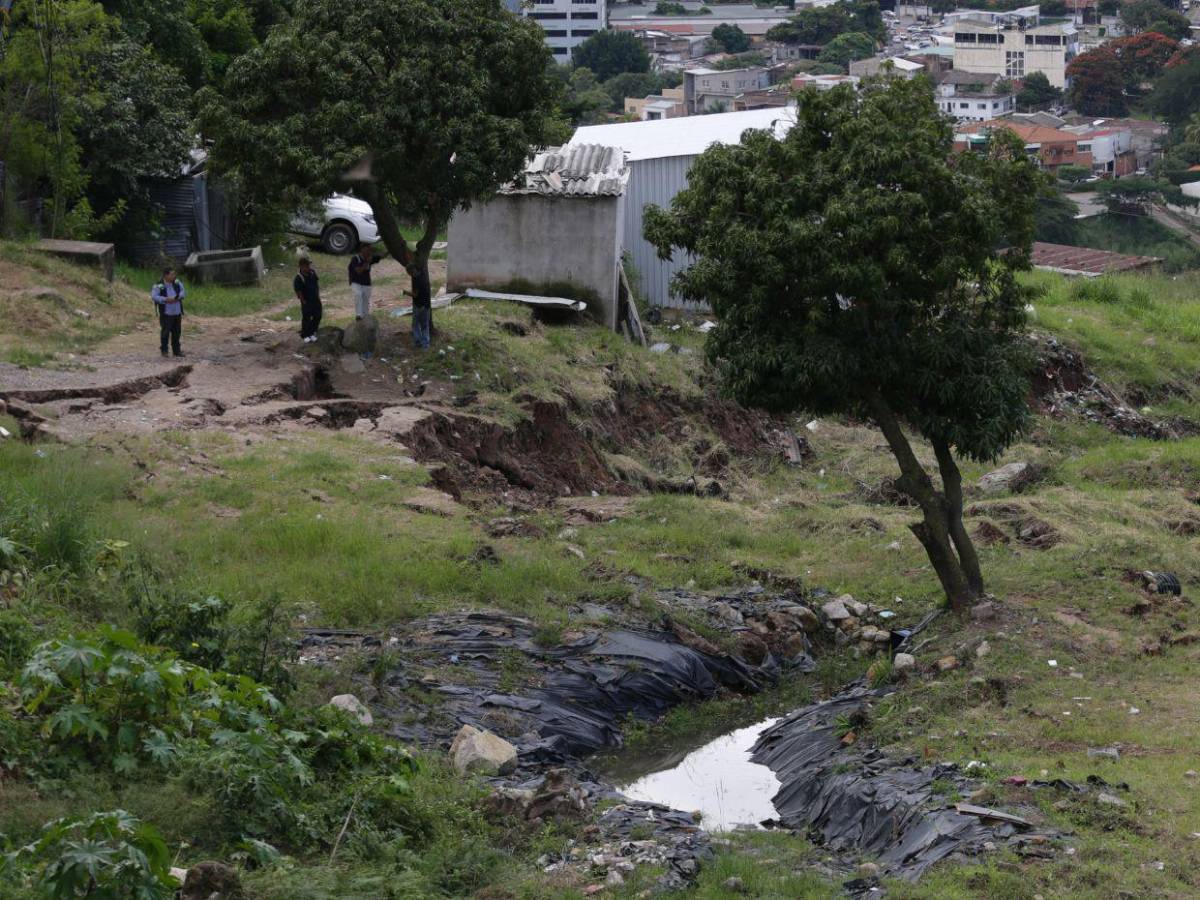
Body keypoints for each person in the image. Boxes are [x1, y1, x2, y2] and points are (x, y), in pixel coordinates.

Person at [151, 268, 185, 358]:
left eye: (174, 274)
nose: (174, 276)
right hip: (166, 313)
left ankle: (177, 351)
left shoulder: (177, 282)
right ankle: (164, 350)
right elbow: (154, 296)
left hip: (177, 312)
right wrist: (165, 299)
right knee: (165, 333)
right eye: (172, 274)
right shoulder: (159, 285)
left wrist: (178, 297)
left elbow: (183, 291)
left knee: (177, 332)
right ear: (166, 275)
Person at [347, 242, 383, 320]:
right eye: (367, 250)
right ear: (362, 249)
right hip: (356, 282)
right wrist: (367, 262)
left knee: (366, 300)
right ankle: (359, 315)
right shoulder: (355, 259)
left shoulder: (370, 258)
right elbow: (359, 271)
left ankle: (365, 316)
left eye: (370, 250)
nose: (369, 252)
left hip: (366, 283)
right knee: (358, 295)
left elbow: (382, 257)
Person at [294, 255, 322, 343]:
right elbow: (298, 291)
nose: (308, 267)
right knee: (307, 318)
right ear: (301, 266)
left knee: (318, 316)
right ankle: (305, 334)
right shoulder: (299, 278)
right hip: (307, 301)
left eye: (308, 265)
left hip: (315, 299)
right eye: (306, 266)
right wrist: (303, 301)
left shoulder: (312, 273)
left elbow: (316, 284)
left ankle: (312, 332)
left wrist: (317, 295)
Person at [408, 262, 432, 349]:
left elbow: (415, 295)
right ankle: (424, 344)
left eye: (410, 273)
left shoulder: (418, 279)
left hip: (420, 305)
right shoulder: (422, 276)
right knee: (423, 325)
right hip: (425, 305)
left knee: (418, 324)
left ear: (413, 271)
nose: (410, 274)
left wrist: (406, 293)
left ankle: (420, 343)